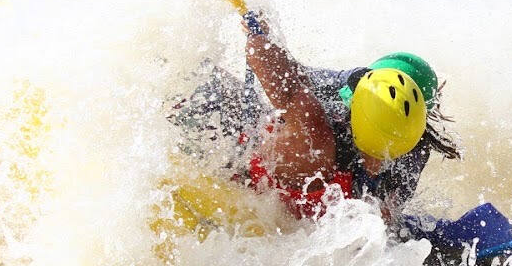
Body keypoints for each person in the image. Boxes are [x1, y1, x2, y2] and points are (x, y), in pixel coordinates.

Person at [171, 11, 460, 220]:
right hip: (273, 171)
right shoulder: (413, 143)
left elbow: (289, 82)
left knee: (200, 83)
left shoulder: (315, 131)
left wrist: (257, 36)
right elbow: (386, 218)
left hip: (232, 149)